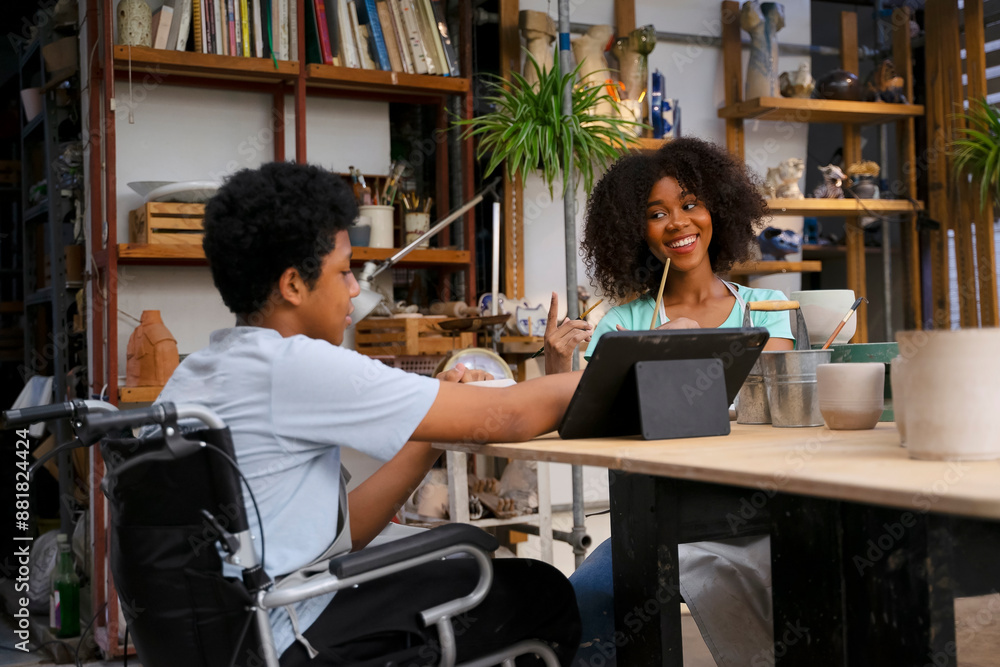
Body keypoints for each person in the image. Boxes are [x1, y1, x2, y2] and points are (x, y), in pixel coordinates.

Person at [154, 162, 582, 666]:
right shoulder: (298, 364)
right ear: (293, 285)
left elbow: (343, 535)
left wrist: (429, 431)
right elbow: (511, 416)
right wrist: (631, 361)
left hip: (238, 636)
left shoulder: (199, 372)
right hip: (293, 634)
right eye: (343, 272)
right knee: (540, 591)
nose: (355, 290)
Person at [543, 137, 795, 666]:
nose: (678, 223)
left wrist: (681, 347)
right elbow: (583, 415)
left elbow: (768, 401)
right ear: (637, 232)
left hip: (753, 516)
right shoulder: (620, 322)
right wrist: (557, 366)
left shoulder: (767, 308)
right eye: (657, 214)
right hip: (651, 523)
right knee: (579, 601)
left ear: (716, 210)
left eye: (689, 204)